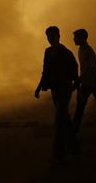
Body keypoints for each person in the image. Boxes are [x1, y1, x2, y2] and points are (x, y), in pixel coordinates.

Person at [34, 26, 79, 163]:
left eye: (52, 36)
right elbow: (45, 71)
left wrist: (74, 86)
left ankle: (58, 155)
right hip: (55, 90)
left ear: (58, 36)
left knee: (59, 121)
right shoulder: (47, 52)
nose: (50, 39)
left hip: (65, 90)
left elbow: (74, 70)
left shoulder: (66, 53)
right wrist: (39, 87)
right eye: (48, 37)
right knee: (64, 118)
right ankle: (74, 145)